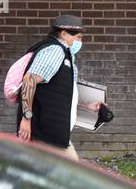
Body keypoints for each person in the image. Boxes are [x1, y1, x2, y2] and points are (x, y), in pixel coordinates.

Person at [17, 13, 87, 160]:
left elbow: (58, 95)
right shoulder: (55, 51)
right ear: (63, 33)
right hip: (44, 132)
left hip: (54, 132)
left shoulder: (66, 56)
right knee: (72, 173)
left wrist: (88, 106)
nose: (80, 42)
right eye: (78, 37)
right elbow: (29, 80)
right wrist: (26, 118)